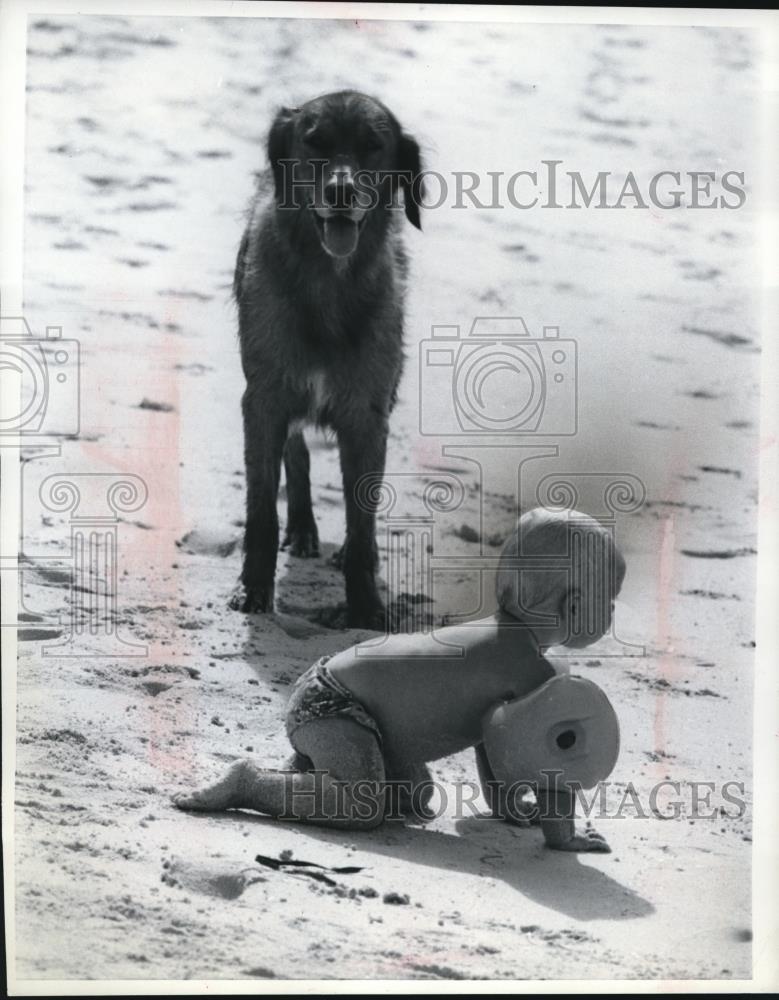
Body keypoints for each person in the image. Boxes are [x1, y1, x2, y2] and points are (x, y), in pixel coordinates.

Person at [173, 507, 625, 852]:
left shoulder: (508, 648)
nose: (609, 614)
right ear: (574, 604)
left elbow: (498, 737)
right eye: (607, 602)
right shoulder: (529, 668)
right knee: (360, 806)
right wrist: (562, 836)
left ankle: (309, 774)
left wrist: (506, 807)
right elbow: (548, 767)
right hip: (338, 707)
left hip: (343, 696)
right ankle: (248, 783)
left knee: (414, 797)